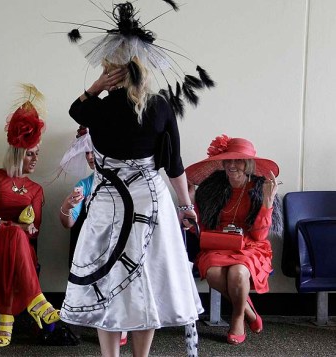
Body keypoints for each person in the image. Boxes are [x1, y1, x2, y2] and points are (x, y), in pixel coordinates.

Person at [59, 2, 213, 356]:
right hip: (150, 202)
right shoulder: (161, 106)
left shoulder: (96, 108)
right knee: (149, 282)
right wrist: (186, 207)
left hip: (108, 203)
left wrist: (95, 86)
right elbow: (174, 164)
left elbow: (76, 110)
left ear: (111, 71)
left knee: (105, 279)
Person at [0, 84, 59, 348]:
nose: (35, 159)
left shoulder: (36, 189)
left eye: (37, 154)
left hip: (19, 247)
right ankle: (37, 301)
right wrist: (13, 226)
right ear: (18, 153)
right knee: (12, 234)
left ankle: (6, 320)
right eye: (31, 154)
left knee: (16, 236)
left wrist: (24, 229)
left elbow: (35, 229)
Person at [185, 134, 282, 345]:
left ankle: (238, 317)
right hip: (218, 244)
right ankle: (248, 310)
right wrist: (191, 201)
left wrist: (267, 203)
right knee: (213, 273)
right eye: (228, 160)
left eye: (237, 160)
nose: (231, 165)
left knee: (238, 273)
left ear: (248, 164)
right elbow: (201, 228)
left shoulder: (259, 188)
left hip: (251, 246)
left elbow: (259, 235)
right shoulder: (212, 188)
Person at [58, 126, 128, 347]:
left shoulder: (126, 178)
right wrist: (66, 206)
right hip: (97, 244)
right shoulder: (85, 185)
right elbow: (69, 223)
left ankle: (121, 318)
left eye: (93, 151)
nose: (89, 156)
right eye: (86, 152)